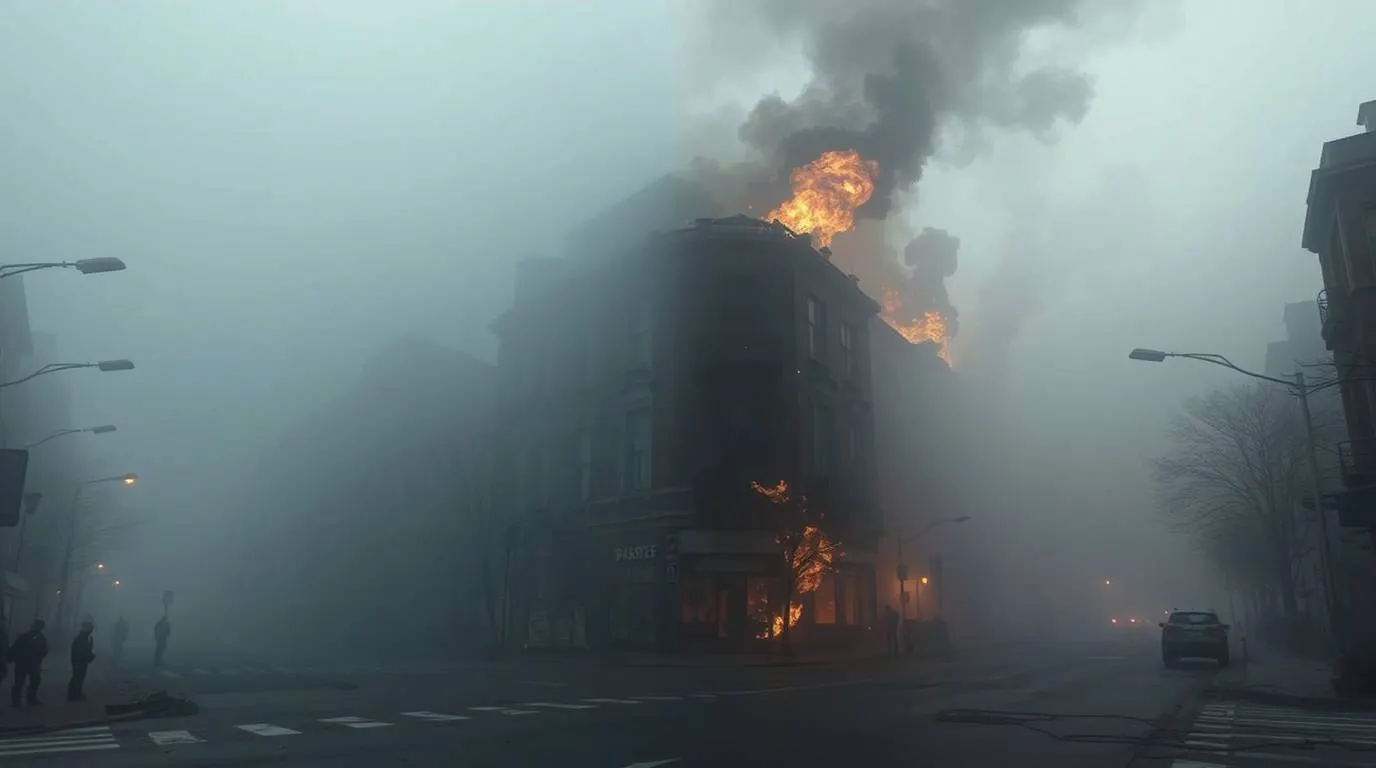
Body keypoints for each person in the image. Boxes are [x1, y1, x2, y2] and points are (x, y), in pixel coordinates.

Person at [9, 619, 48, 708]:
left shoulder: (39, 637)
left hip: (31, 663)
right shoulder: (26, 636)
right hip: (24, 663)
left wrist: (40, 657)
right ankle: (17, 701)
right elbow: (15, 649)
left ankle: (30, 699)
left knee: (34, 681)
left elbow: (45, 650)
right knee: (20, 682)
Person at [67, 620, 96, 702]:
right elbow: (80, 651)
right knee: (77, 677)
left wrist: (89, 656)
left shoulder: (86, 638)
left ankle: (77, 693)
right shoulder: (81, 638)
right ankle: (72, 695)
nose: (92, 630)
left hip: (81, 661)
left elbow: (85, 650)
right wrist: (89, 656)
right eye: (91, 628)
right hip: (79, 661)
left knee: (80, 677)